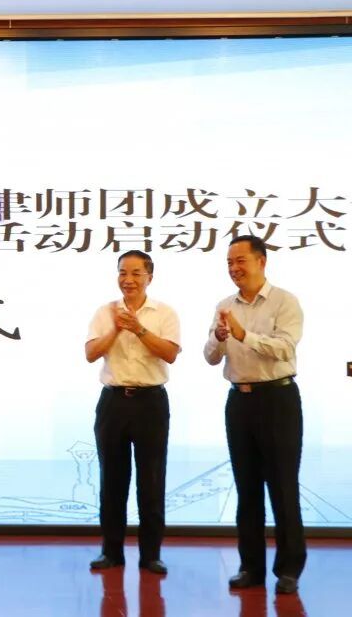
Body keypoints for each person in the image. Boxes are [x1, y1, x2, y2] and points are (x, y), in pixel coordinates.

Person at [203, 235, 305, 595]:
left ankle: (289, 569)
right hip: (239, 402)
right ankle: (250, 567)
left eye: (240, 261)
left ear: (261, 261)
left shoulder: (284, 301)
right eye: (229, 263)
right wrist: (219, 337)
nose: (234, 268)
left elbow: (284, 348)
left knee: (283, 487)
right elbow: (210, 357)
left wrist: (244, 334)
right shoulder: (224, 305)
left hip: (278, 400)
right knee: (246, 489)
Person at [85, 250, 181, 575]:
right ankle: (111, 552)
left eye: (136, 273)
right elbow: (90, 353)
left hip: (151, 402)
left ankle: (151, 555)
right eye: (123, 272)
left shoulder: (164, 313)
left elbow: (170, 353)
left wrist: (138, 329)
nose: (128, 279)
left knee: (151, 480)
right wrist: (116, 329)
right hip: (113, 403)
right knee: (112, 481)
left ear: (149, 277)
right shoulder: (105, 312)